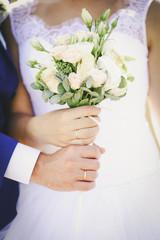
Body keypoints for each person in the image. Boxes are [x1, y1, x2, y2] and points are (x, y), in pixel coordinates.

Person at [2, 0, 160, 239]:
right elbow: (11, 122)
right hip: (48, 192)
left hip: (139, 189)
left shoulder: (149, 12)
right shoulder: (15, 21)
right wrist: (42, 128)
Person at [0, 5, 103, 238]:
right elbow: (13, 117)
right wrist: (36, 163)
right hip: (39, 191)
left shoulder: (148, 12)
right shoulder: (14, 21)